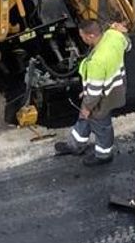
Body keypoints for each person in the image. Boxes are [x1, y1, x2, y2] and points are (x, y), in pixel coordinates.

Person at [54, 19, 129, 166]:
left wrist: (87, 106)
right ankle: (75, 144)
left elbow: (95, 92)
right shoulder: (114, 36)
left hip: (103, 98)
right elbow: (128, 45)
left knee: (101, 124)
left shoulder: (97, 61)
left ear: (91, 36)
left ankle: (103, 154)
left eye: (82, 36)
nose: (81, 38)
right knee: (85, 118)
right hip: (115, 88)